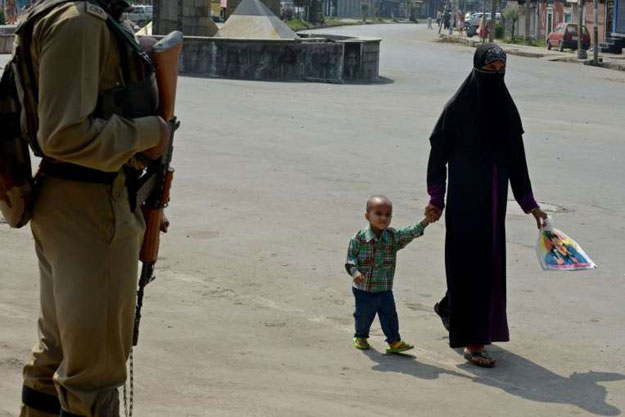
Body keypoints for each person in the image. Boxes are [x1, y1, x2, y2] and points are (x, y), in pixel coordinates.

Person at [16, 1, 170, 416]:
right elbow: (63, 134)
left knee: (57, 357)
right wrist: (150, 131)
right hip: (90, 211)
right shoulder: (79, 21)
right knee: (93, 378)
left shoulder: (76, 14)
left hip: (77, 203)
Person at [425, 44, 548, 368]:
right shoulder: (457, 109)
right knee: (470, 267)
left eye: (500, 70)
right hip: (465, 204)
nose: (495, 76)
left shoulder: (506, 110)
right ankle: (473, 343)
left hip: (494, 205)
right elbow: (438, 153)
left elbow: (517, 162)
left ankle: (452, 307)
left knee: (486, 268)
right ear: (477, 69)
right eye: (489, 70)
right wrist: (436, 198)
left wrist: (530, 205)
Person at [345, 195, 429, 354]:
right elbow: (350, 260)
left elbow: (410, 233)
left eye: (387, 214)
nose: (383, 218)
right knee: (363, 315)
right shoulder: (358, 239)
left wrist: (426, 221)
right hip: (364, 288)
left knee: (390, 315)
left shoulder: (392, 237)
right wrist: (355, 273)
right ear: (367, 215)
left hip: (384, 287)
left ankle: (394, 342)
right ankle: (361, 336)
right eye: (378, 213)